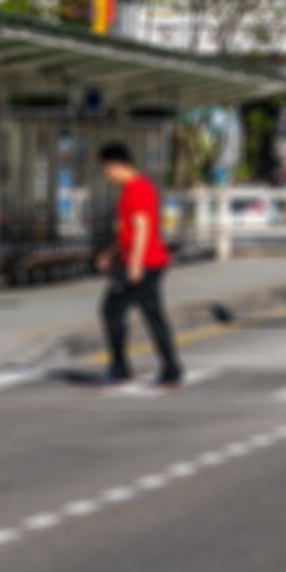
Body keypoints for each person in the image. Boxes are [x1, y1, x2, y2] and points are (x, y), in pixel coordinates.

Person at [96, 142, 182, 388]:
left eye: (106, 170)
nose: (107, 175)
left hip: (142, 263)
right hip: (144, 260)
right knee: (152, 316)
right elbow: (127, 230)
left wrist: (134, 264)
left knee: (111, 310)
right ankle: (170, 369)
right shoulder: (131, 189)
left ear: (117, 165)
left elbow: (142, 227)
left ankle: (121, 367)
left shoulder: (137, 188)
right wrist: (111, 252)